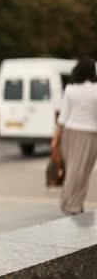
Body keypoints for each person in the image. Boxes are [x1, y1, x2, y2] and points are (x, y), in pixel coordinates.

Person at [51, 56, 97, 216]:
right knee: (83, 172)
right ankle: (73, 205)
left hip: (70, 134)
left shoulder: (70, 89)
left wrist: (56, 138)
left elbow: (63, 117)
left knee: (72, 169)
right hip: (90, 135)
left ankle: (69, 203)